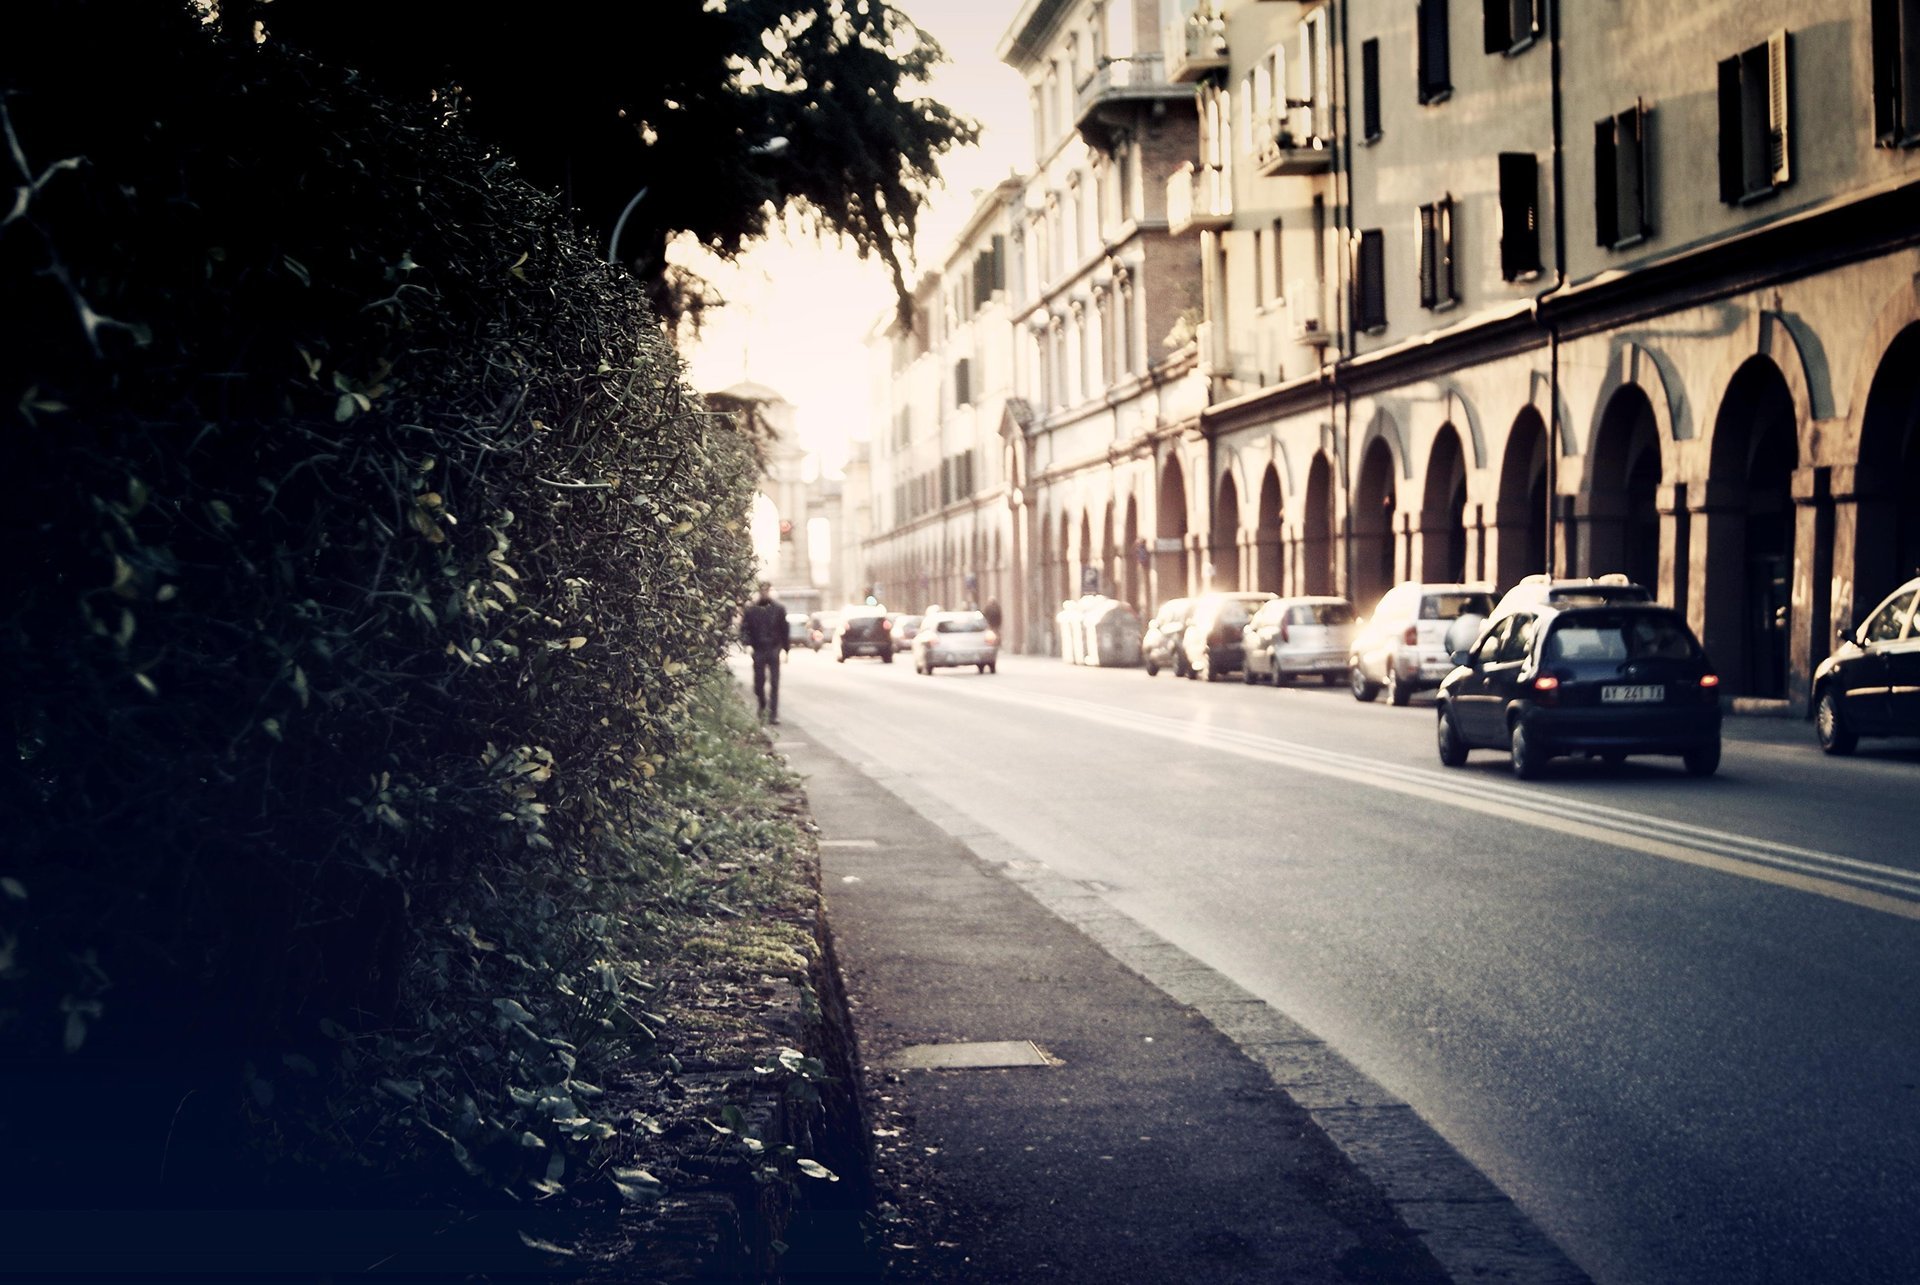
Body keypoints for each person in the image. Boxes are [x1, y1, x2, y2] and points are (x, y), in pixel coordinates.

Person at [740, 581, 790, 724]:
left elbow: (784, 631)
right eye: (762, 590)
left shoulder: (779, 609)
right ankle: (762, 706)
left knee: (774, 683)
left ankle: (773, 714)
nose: (764, 592)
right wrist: (747, 644)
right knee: (759, 683)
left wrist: (786, 650)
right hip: (759, 650)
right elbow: (744, 629)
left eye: (767, 590)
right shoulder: (751, 610)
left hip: (774, 649)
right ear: (759, 591)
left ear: (770, 591)